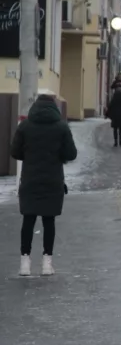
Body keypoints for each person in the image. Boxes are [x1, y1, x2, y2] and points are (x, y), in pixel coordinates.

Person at [10, 95, 78, 277]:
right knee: (49, 221)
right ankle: (47, 264)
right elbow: (71, 154)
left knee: (28, 220)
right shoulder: (61, 127)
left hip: (30, 179)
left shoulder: (25, 126)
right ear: (54, 108)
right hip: (52, 180)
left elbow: (14, 152)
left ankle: (25, 263)